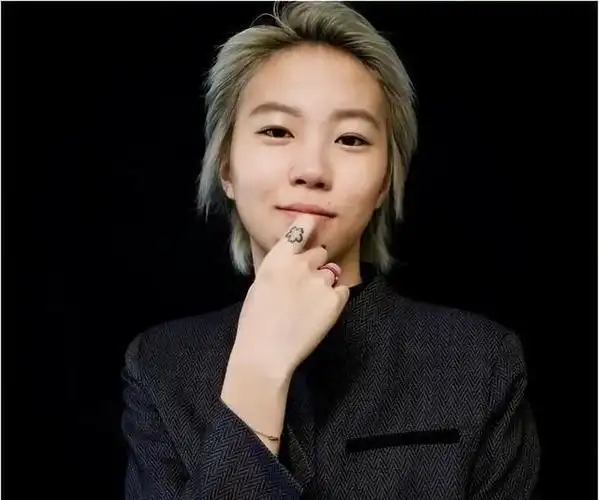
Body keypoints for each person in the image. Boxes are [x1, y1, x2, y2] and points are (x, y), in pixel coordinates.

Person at [120, 1, 541, 498]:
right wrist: (260, 370)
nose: (312, 170)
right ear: (226, 167)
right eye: (276, 131)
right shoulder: (162, 365)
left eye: (351, 139)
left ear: (384, 181)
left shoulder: (478, 361)